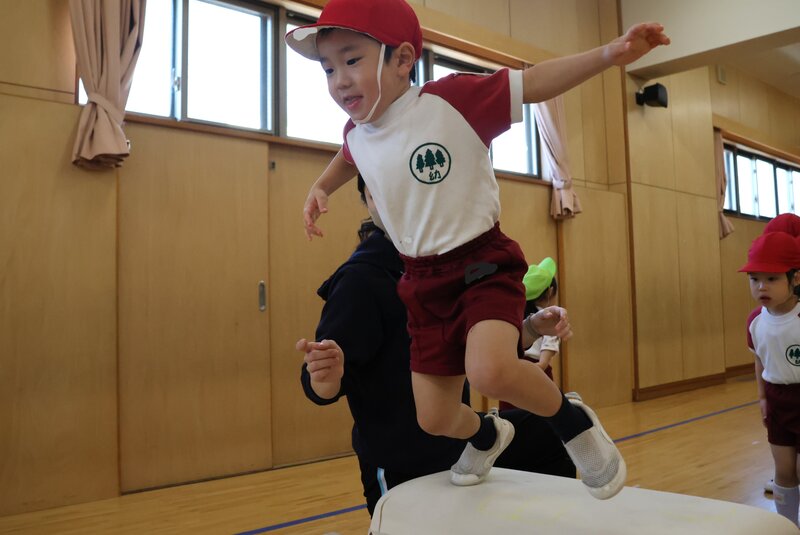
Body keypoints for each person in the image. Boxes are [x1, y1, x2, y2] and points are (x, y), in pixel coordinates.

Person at [286, 0, 669, 499]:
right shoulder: (358, 134)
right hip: (420, 282)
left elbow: (533, 83)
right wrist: (320, 187)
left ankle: (571, 420)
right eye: (328, 68)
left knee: (488, 370)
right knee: (436, 416)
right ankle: (487, 435)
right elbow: (346, 156)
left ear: (402, 59)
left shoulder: (450, 102)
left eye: (352, 60)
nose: (339, 80)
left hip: (479, 262)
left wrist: (609, 54)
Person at [297, 177, 575, 515]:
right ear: (367, 201)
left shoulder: (446, 265)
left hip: (462, 442)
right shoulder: (361, 279)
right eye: (380, 193)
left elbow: (472, 344)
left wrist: (530, 328)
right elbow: (320, 383)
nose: (398, 201)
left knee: (548, 436)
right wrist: (325, 376)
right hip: (403, 462)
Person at [739, 231, 800, 525]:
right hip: (777, 401)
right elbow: (759, 359)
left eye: (772, 278)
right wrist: (763, 397)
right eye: (755, 279)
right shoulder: (755, 321)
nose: (762, 286)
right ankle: (787, 527)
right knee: (784, 470)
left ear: (795, 278)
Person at [499, 258, 562, 411]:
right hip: (537, 369)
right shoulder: (548, 317)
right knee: (540, 412)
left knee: (511, 413)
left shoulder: (514, 316)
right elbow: (548, 347)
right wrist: (540, 366)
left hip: (512, 368)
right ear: (550, 291)